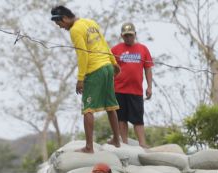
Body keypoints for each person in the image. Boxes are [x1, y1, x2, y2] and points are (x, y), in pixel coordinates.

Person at [51, 5, 121, 153]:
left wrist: (80, 79)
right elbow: (104, 43)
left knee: (88, 109)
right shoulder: (90, 22)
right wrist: (113, 62)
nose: (60, 27)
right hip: (107, 67)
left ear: (64, 18)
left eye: (59, 24)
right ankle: (116, 139)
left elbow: (83, 55)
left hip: (94, 70)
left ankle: (89, 147)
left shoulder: (76, 30)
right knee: (110, 105)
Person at [110, 23, 154, 148]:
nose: (128, 38)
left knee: (138, 119)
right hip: (119, 89)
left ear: (135, 34)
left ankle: (142, 143)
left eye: (130, 35)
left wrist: (149, 86)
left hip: (136, 91)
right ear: (121, 36)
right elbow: (109, 68)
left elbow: (148, 69)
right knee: (121, 118)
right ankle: (124, 143)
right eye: (125, 36)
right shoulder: (115, 50)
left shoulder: (143, 49)